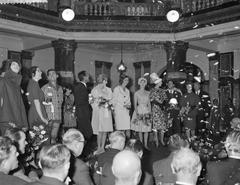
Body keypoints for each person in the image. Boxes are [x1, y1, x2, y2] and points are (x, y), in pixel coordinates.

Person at [0, 59, 28, 134]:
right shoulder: (3, 80)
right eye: (13, 64)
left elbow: (18, 104)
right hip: (7, 120)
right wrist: (6, 120)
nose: (17, 66)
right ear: (8, 67)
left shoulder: (16, 84)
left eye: (18, 65)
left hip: (17, 119)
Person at [91, 74, 113, 154]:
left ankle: (103, 147)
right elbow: (91, 101)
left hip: (106, 111)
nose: (106, 82)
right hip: (99, 111)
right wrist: (98, 105)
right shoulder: (95, 89)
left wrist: (107, 103)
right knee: (100, 130)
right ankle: (99, 147)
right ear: (102, 81)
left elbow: (111, 99)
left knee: (105, 130)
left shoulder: (109, 89)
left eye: (106, 81)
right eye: (105, 80)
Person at [42, 69, 63, 144]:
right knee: (47, 138)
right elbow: (41, 102)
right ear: (47, 77)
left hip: (57, 116)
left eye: (53, 73)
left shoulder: (60, 88)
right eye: (50, 74)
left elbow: (60, 102)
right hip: (48, 117)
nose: (52, 75)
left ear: (57, 76)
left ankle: (52, 153)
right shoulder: (44, 88)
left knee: (54, 137)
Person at [131, 77, 151, 149]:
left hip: (146, 111)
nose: (142, 84)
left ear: (145, 83)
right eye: (141, 82)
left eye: (144, 82)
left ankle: (146, 145)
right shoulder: (136, 93)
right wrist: (137, 113)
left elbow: (149, 104)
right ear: (139, 83)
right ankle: (141, 144)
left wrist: (150, 112)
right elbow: (135, 104)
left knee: (146, 129)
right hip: (139, 110)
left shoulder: (148, 93)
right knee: (140, 129)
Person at [149, 73, 168, 147]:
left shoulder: (162, 90)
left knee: (162, 126)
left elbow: (166, 99)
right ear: (158, 82)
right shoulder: (152, 90)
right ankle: (156, 140)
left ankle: (162, 140)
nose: (162, 83)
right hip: (155, 109)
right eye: (161, 82)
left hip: (162, 109)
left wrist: (162, 103)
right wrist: (157, 101)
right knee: (156, 126)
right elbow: (150, 99)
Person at [74, 71, 93, 141]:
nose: (89, 77)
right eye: (87, 76)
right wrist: (88, 101)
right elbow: (79, 101)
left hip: (83, 112)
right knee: (86, 133)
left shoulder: (82, 86)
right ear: (84, 77)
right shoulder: (80, 87)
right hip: (82, 113)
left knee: (84, 133)